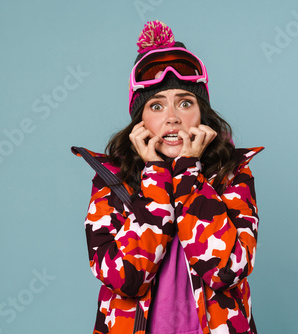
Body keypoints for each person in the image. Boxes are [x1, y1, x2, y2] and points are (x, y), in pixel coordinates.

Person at [72, 20, 264, 334]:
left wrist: (189, 172)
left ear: (201, 113)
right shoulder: (110, 180)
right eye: (157, 105)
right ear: (140, 120)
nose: (172, 117)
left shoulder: (233, 173)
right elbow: (127, 279)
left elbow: (227, 271)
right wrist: (155, 176)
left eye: (185, 103)